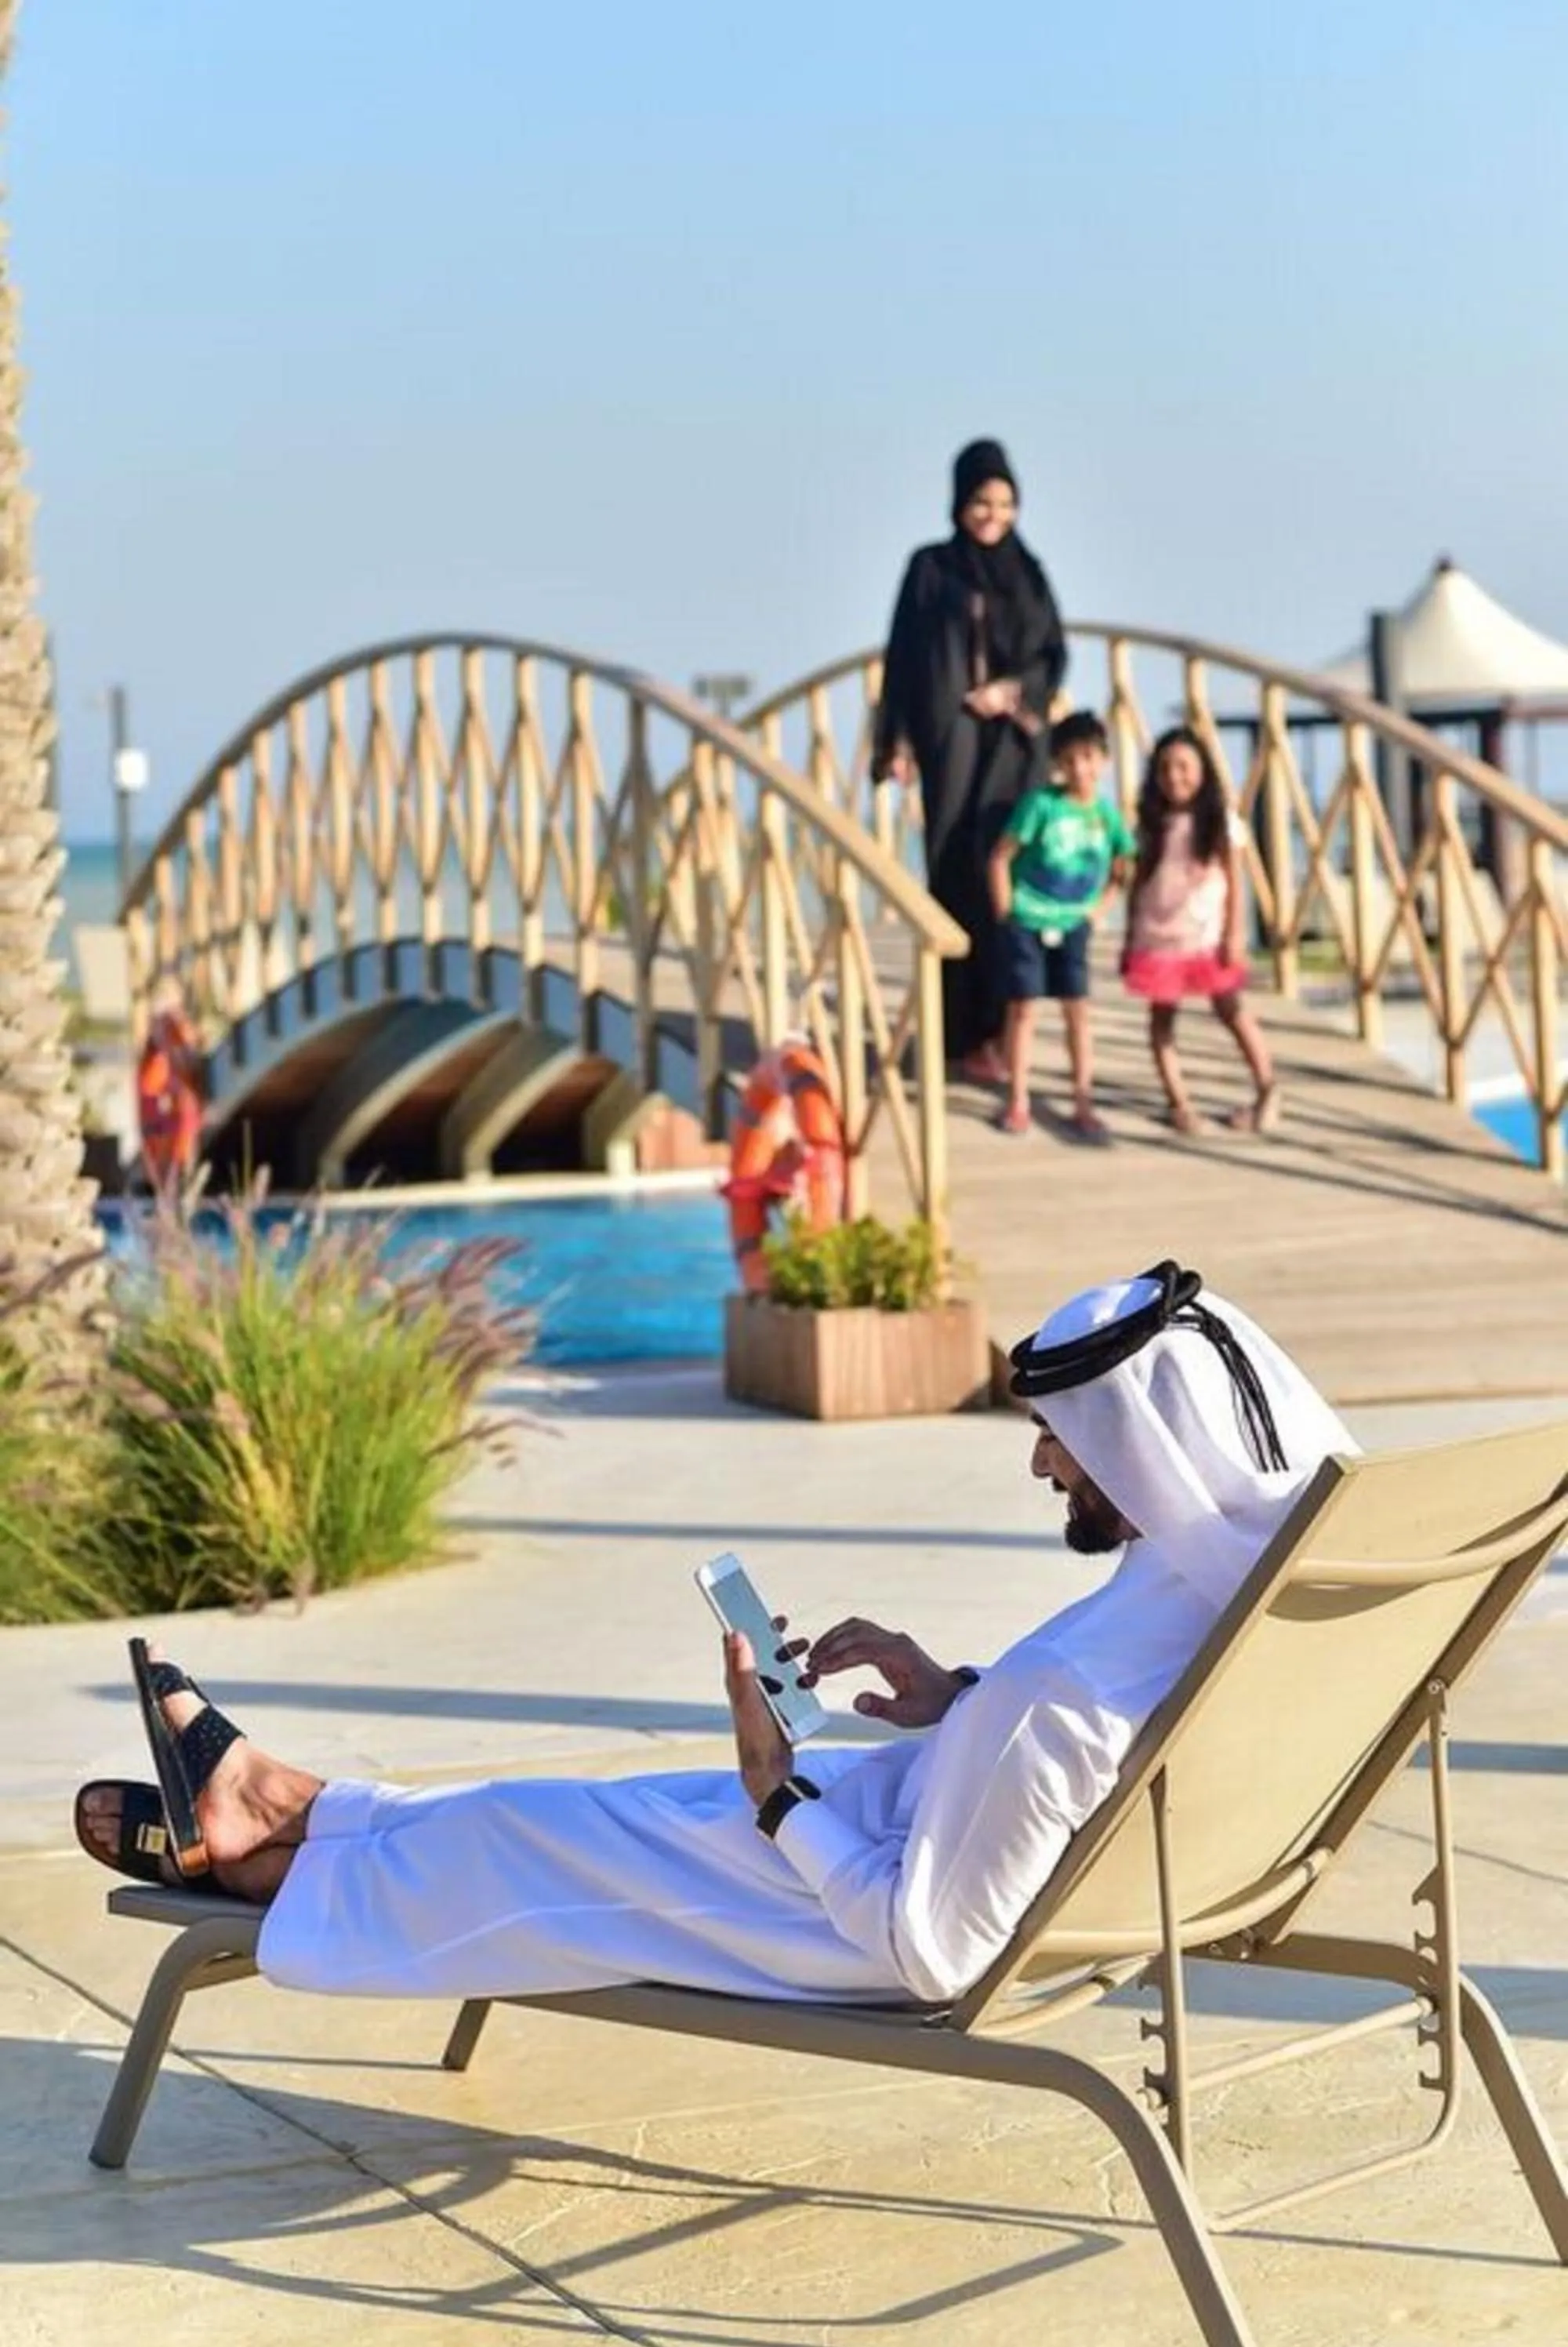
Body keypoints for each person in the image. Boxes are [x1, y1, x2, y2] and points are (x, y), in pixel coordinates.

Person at [76, 1263, 1353, 2011]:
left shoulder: (1073, 1683)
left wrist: (774, 1790)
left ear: (1144, 1445)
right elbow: (1077, 1750)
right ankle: (285, 1811)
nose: (1040, 1461)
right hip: (940, 1838)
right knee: (555, 1814)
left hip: (841, 1909)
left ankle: (259, 1862)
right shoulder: (1231, 1587)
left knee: (538, 1832)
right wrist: (949, 1697)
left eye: (1064, 1437)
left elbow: (934, 1953)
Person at [872, 439, 1068, 1081]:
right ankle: (953, 1035)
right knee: (954, 876)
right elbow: (902, 658)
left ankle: (998, 1038)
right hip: (951, 740)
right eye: (982, 502)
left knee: (1004, 879)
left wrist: (1013, 692)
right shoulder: (930, 569)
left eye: (1005, 503)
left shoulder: (1028, 572)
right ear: (960, 502)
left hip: (1013, 746)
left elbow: (1052, 655)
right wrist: (895, 741)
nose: (993, 516)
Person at [1122, 727, 1281, 1137]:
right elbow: (1138, 883)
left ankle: (1268, 1088)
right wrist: (1127, 937)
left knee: (1231, 1009)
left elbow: (1235, 881)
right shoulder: (1151, 824)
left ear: (1203, 771)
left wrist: (1235, 933)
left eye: (1184, 767)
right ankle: (1179, 1101)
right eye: (1165, 769)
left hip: (1207, 934)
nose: (1175, 777)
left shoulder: (1221, 823)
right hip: (1157, 934)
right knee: (1162, 1018)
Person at [987, 710, 1134, 1140]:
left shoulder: (1107, 815)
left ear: (1104, 760)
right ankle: (1017, 1100)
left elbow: (1124, 862)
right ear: (1057, 764)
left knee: (1078, 1012)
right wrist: (1005, 913)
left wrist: (1101, 908)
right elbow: (1002, 855)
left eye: (1088, 758)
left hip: (1074, 923)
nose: (1079, 769)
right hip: (1029, 917)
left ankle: (1082, 1102)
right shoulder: (1041, 805)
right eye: (1069, 760)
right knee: (1024, 1008)